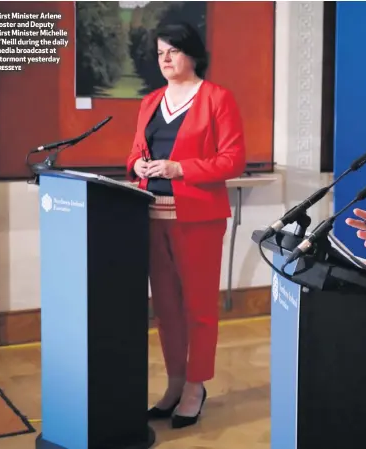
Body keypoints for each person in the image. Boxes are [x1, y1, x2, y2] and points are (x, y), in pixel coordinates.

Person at [126, 21, 246, 428]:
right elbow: (134, 154)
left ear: (192, 53)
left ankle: (196, 386)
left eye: (172, 51)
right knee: (166, 310)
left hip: (199, 220)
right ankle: (175, 382)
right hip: (150, 216)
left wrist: (181, 168)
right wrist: (136, 165)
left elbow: (233, 160)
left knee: (197, 309)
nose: (165, 59)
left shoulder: (217, 99)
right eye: (160, 53)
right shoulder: (150, 101)